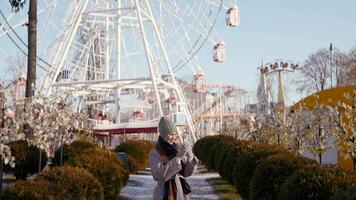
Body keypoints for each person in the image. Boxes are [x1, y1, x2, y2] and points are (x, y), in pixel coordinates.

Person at [149, 117, 199, 200]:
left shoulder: (177, 149)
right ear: (163, 134)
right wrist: (178, 158)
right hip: (163, 194)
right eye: (171, 134)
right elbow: (160, 175)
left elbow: (186, 173)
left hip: (180, 193)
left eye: (175, 134)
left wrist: (190, 158)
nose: (174, 137)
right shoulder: (155, 153)